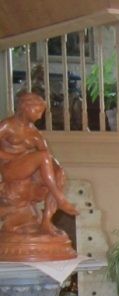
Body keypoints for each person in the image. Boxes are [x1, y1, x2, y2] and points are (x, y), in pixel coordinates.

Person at [0, 92, 78, 235]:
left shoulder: (35, 134)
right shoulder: (8, 125)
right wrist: (13, 156)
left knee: (59, 173)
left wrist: (57, 170)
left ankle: (46, 221)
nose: (39, 116)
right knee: (43, 157)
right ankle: (60, 199)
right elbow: (43, 156)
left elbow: (48, 156)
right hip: (10, 168)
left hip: (26, 168)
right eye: (37, 111)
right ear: (25, 107)